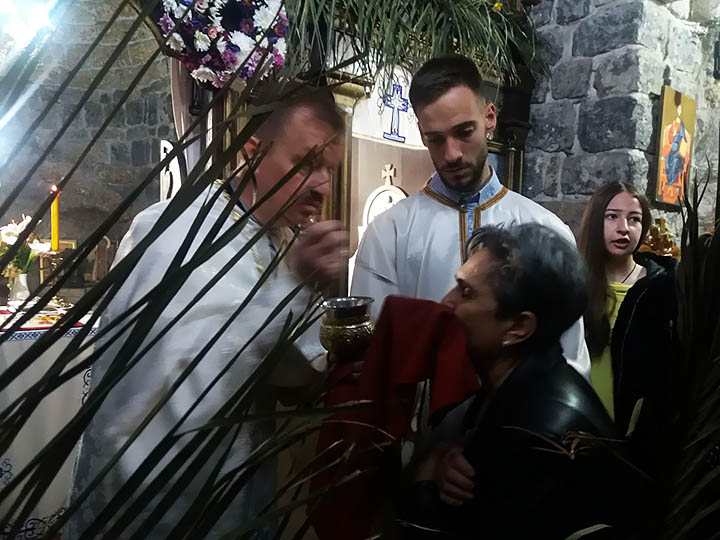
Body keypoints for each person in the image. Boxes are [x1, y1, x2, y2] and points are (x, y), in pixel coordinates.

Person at [67, 92, 347, 539]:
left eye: (329, 169)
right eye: (307, 162)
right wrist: (296, 284)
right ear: (253, 151)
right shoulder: (175, 233)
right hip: (158, 502)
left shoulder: (283, 242)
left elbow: (278, 366)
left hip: (237, 485)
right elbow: (191, 380)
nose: (323, 186)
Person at [350, 54, 590, 378]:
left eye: (464, 132)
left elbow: (571, 361)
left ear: (490, 118)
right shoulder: (388, 232)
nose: (452, 154)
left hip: (522, 408)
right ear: (421, 133)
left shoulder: (547, 229)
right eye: (436, 139)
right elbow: (375, 355)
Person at [399, 223, 642, 539]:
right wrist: (450, 455)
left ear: (518, 328)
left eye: (466, 292)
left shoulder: (540, 438)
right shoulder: (512, 383)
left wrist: (425, 480)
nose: (446, 302)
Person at [578, 181, 677, 476]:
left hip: (637, 437)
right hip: (579, 428)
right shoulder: (575, 283)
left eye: (634, 219)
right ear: (596, 220)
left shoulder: (662, 287)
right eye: (612, 216)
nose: (624, 228)